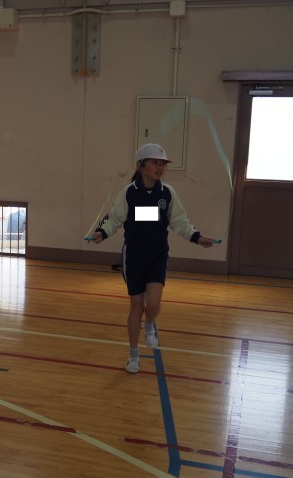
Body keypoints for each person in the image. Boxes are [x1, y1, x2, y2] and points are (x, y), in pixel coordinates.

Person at [89, 143, 216, 374]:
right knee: (136, 306)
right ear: (141, 165)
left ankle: (149, 325)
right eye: (155, 163)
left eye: (163, 164)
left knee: (153, 304)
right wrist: (102, 233)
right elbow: (115, 218)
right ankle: (133, 355)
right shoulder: (129, 192)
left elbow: (179, 221)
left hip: (158, 255)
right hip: (134, 256)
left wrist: (196, 237)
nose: (160, 168)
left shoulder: (167, 193)